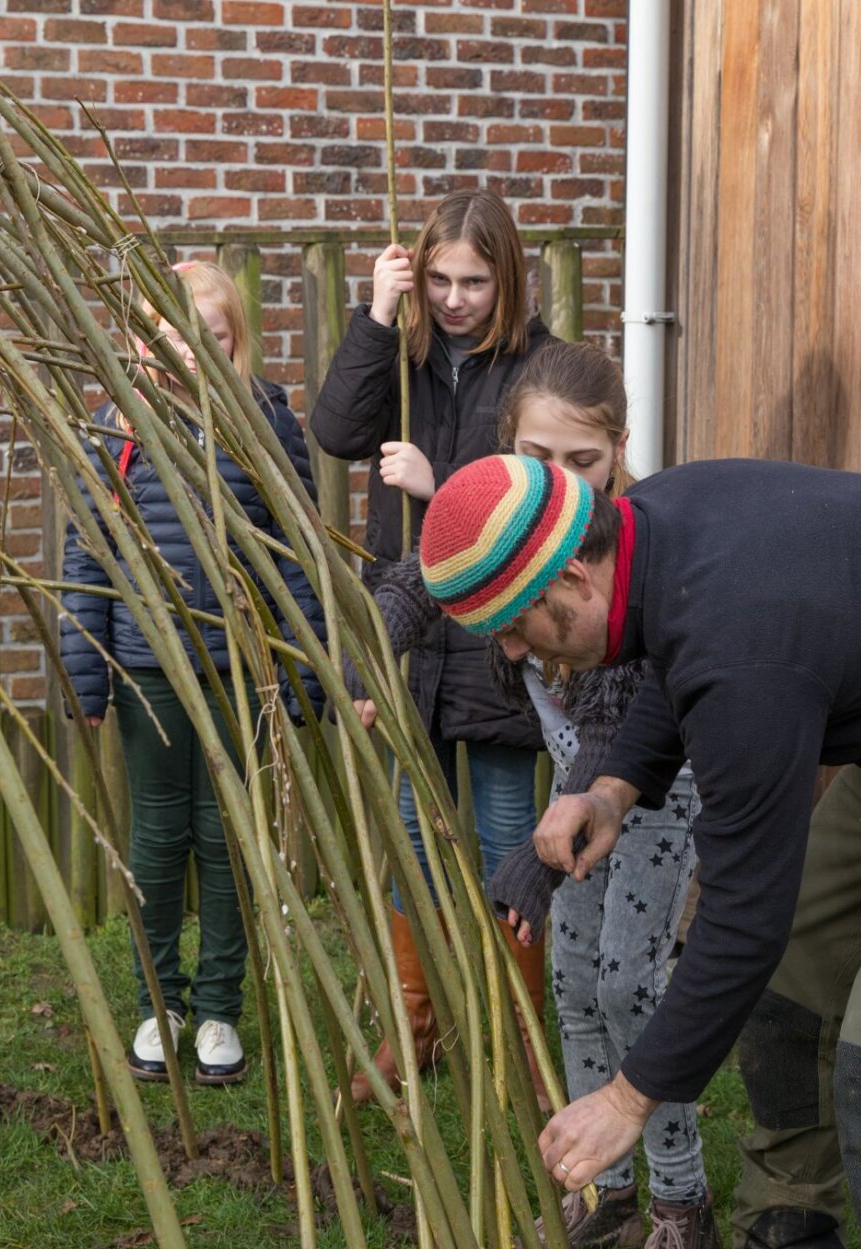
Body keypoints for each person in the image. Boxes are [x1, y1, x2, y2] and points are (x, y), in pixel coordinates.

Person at [418, 453, 861, 1249]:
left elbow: (746, 916)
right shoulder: (650, 530)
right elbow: (680, 661)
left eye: (515, 624)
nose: (513, 651)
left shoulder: (743, 650)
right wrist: (611, 789)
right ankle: (789, 1232)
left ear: (573, 574)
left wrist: (627, 1097)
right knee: (790, 992)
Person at [350, 344, 716, 1249]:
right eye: (538, 457)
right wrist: (369, 646)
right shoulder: (508, 518)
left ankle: (681, 1199)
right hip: (572, 795)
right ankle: (606, 1186)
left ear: (618, 451)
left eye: (582, 461)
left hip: (649, 788)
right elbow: (423, 577)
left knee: (629, 984)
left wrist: (538, 865)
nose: (560, 482)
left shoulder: (617, 549)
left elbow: (612, 728)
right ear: (507, 447)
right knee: (574, 978)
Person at [309, 188, 558, 1102]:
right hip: (408, 633)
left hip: (497, 631)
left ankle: (522, 1035)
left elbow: (540, 494)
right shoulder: (402, 354)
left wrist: (438, 481)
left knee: (505, 836)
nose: (456, 300)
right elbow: (336, 432)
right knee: (412, 834)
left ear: (508, 280)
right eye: (441, 280)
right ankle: (417, 1021)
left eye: (475, 283)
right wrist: (378, 315)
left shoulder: (539, 367)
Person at [60, 260, 325, 1087]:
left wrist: (308, 665)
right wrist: (87, 669)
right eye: (165, 336)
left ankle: (218, 1007)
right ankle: (158, 1002)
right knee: (158, 835)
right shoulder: (113, 429)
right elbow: (87, 557)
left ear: (233, 339)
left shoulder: (263, 423)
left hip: (239, 668)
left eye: (206, 336)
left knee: (226, 835)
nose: (185, 352)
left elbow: (299, 552)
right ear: (137, 344)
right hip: (149, 668)